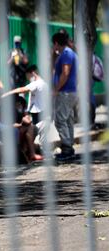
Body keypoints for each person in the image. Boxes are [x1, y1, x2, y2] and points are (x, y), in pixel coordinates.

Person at [52, 31, 78, 161]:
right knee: (68, 120)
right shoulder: (69, 53)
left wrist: (56, 89)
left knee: (60, 120)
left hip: (65, 92)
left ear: (56, 43)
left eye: (54, 44)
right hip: (71, 91)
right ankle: (69, 148)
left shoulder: (67, 54)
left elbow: (65, 73)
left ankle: (67, 149)